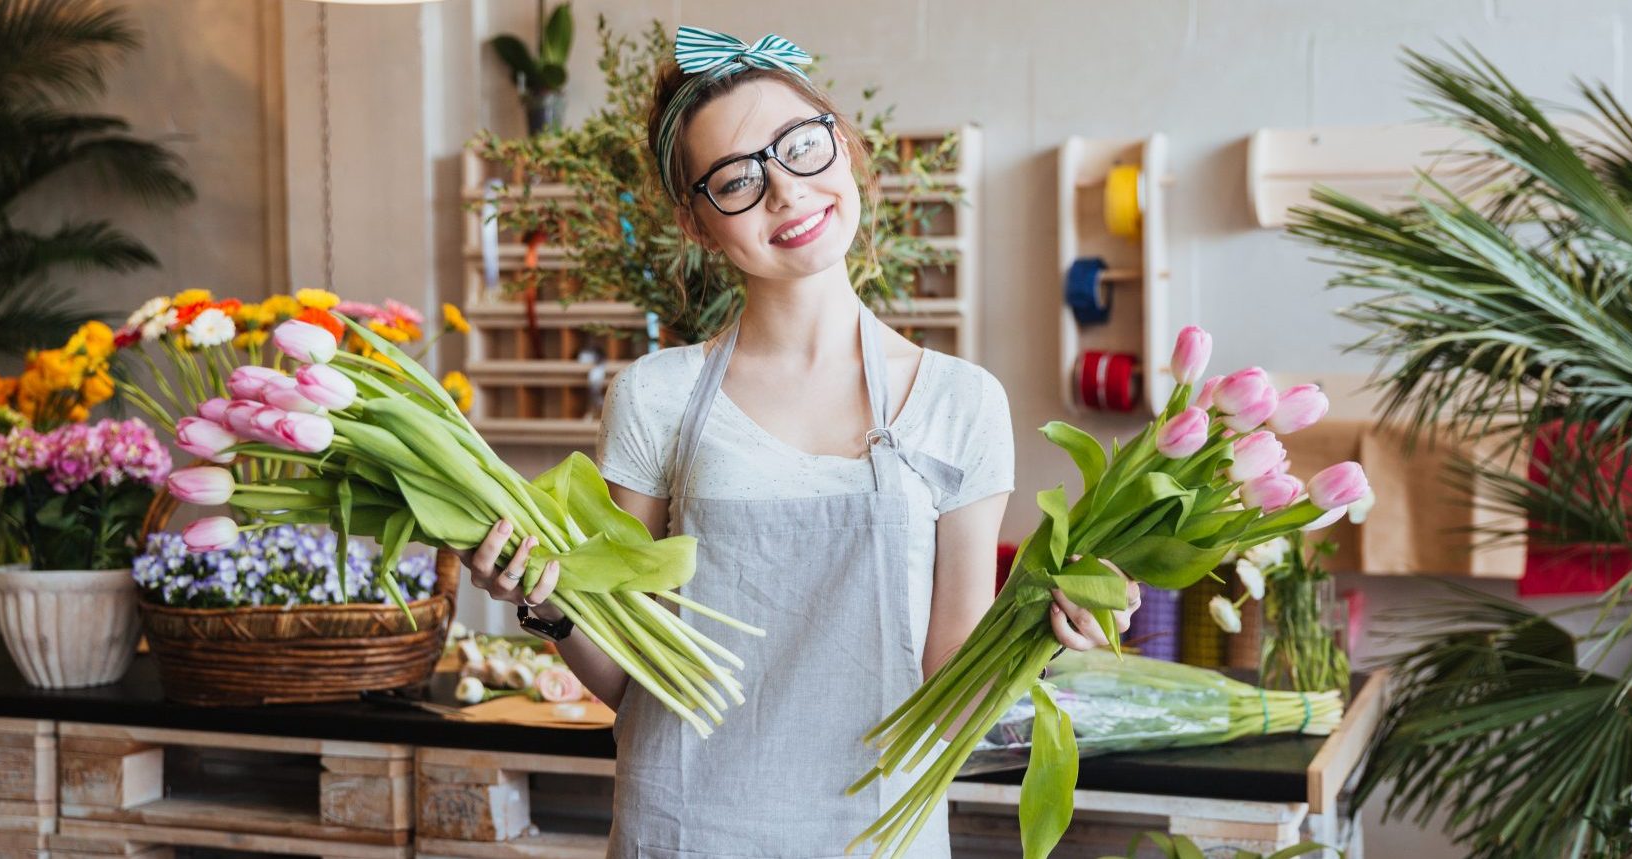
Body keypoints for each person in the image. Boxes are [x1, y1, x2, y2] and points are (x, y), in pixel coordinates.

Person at [463, 25, 1140, 857]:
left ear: (844, 149)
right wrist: (548, 600)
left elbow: (950, 685)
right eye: (738, 179)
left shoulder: (962, 402)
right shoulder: (658, 396)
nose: (785, 190)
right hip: (684, 829)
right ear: (700, 224)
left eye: (800, 147)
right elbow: (630, 681)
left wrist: (1041, 636)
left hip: (876, 835)